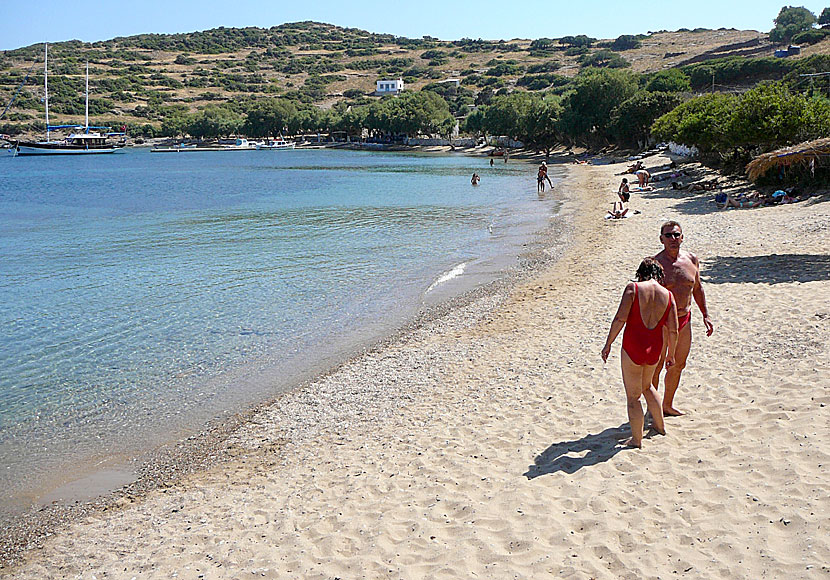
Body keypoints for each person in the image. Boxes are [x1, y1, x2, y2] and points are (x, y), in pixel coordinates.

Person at [601, 258, 678, 448]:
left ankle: (636, 440)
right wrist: (671, 354)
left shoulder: (633, 289)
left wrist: (608, 343)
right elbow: (673, 330)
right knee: (648, 386)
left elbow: (620, 319)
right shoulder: (668, 295)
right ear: (659, 274)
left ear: (641, 273)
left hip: (633, 346)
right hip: (655, 349)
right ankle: (660, 426)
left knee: (633, 397)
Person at [651, 221, 714, 416]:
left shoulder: (692, 259)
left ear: (682, 237)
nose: (673, 239)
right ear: (661, 239)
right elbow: (646, 294)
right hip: (661, 323)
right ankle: (652, 406)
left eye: (676, 235)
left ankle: (667, 405)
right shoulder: (655, 263)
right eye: (668, 235)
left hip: (684, 320)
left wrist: (706, 314)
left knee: (678, 364)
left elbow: (697, 288)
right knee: (656, 366)